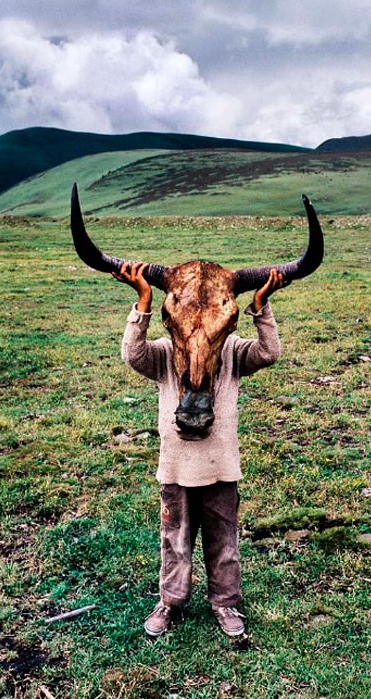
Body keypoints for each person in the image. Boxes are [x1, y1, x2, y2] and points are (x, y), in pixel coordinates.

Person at [113, 262, 283, 637]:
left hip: (221, 468)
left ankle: (225, 603)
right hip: (175, 470)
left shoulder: (233, 354)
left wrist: (262, 307)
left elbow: (269, 353)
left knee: (224, 541)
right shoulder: (162, 356)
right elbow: (132, 353)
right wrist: (143, 301)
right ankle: (170, 602)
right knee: (174, 539)